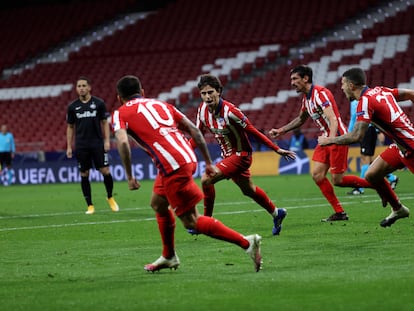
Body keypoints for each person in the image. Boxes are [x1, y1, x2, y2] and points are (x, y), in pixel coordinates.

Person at [112, 75, 263, 272]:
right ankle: (169, 256)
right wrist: (208, 162)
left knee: (191, 220)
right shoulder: (162, 104)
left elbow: (122, 142)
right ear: (142, 93)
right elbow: (194, 130)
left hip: (172, 165)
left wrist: (130, 176)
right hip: (185, 157)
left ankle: (246, 243)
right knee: (158, 204)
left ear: (118, 98)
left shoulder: (120, 113)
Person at [192, 74, 296, 236]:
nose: (207, 97)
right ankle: (277, 213)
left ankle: (206, 221)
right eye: (203, 93)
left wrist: (276, 149)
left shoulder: (231, 112)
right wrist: (183, 152)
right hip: (228, 157)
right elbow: (197, 136)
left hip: (242, 156)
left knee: (206, 178)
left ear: (219, 91)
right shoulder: (202, 110)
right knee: (249, 190)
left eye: (210, 92)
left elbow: (253, 131)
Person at [269, 65, 373, 222]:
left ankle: (377, 184)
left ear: (305, 78)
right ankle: (340, 212)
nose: (292, 83)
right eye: (291, 79)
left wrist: (331, 140)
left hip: (336, 137)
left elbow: (332, 119)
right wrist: (282, 130)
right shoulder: (307, 98)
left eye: (295, 79)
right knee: (317, 175)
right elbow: (301, 119)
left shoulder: (321, 93)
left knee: (338, 180)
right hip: (326, 138)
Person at [318, 67, 414, 227]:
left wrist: (329, 140)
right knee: (372, 175)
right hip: (400, 148)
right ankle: (398, 209)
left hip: (411, 148)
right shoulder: (380, 91)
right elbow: (411, 93)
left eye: (342, 84)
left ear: (351, 85)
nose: (341, 88)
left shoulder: (365, 102)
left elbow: (356, 136)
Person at [66, 76, 119, 215]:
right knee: (84, 174)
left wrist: (107, 141)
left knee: (105, 171)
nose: (81, 88)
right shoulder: (73, 107)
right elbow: (70, 127)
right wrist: (69, 146)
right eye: (79, 86)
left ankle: (110, 197)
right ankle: (90, 205)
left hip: (97, 143)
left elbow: (104, 122)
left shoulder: (99, 103)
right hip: (81, 145)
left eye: (84, 85)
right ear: (77, 89)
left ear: (89, 87)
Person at [347, 99, 398, 195]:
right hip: (364, 130)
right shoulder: (358, 100)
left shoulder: (359, 100)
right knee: (368, 160)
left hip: (367, 130)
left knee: (364, 159)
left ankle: (360, 187)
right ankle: (392, 178)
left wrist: (348, 133)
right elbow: (355, 117)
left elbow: (357, 117)